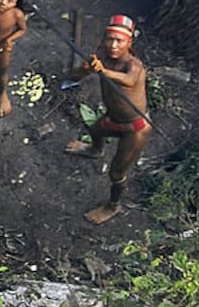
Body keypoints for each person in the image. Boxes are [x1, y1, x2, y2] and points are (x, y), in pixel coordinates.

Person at [64, 14, 151, 225]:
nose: (113, 45)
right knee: (95, 130)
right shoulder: (102, 55)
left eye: (119, 41)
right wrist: (84, 70)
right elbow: (73, 77)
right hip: (113, 117)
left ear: (129, 43)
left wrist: (103, 71)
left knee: (116, 171)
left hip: (135, 128)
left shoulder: (134, 65)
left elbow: (129, 81)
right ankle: (95, 150)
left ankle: (113, 206)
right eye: (109, 39)